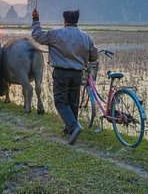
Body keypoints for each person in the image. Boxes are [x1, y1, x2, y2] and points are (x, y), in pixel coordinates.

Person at [31, 8, 98, 144]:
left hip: (61, 73)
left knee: (61, 102)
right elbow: (94, 56)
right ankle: (70, 129)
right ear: (76, 21)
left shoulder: (56, 34)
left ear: (65, 21)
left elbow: (37, 35)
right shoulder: (86, 37)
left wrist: (35, 20)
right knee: (73, 102)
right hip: (77, 74)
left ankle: (73, 128)